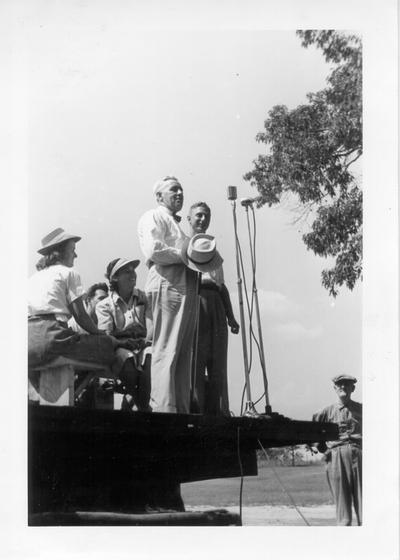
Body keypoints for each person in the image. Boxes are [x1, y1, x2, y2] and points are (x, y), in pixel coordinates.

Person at [137, 176, 221, 414]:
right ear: (159, 196)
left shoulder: (176, 226)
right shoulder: (152, 216)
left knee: (183, 349)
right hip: (167, 283)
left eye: (182, 189)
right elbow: (154, 250)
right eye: (173, 189)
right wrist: (186, 254)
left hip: (183, 286)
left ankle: (180, 407)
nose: (179, 193)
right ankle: (164, 407)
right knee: (166, 346)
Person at [28, 228, 116, 374]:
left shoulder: (32, 278)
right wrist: (102, 334)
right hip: (53, 340)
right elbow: (80, 316)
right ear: (60, 252)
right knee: (109, 344)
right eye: (72, 250)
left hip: (28, 344)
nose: (75, 255)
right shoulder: (68, 273)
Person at [187, 202, 239, 415]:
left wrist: (231, 316)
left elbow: (222, 285)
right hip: (195, 300)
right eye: (198, 215)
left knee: (218, 362)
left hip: (215, 302)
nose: (202, 220)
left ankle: (217, 410)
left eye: (207, 216)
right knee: (196, 359)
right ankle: (196, 408)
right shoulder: (184, 246)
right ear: (189, 219)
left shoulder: (211, 248)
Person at [96, 258, 151, 412]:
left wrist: (146, 341)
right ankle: (143, 408)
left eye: (133, 270)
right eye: (127, 271)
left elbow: (151, 325)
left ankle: (133, 402)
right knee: (126, 361)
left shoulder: (144, 297)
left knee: (150, 356)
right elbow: (107, 335)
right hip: (120, 346)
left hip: (143, 344)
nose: (133, 273)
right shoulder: (104, 305)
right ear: (115, 278)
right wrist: (124, 342)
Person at [311, 374, 362, 526]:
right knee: (343, 510)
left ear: (352, 388)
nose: (343, 387)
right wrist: (324, 450)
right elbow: (312, 432)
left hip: (360, 454)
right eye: (339, 385)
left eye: (346, 384)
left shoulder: (362, 409)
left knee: (365, 504)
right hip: (336, 457)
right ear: (334, 388)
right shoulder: (325, 412)